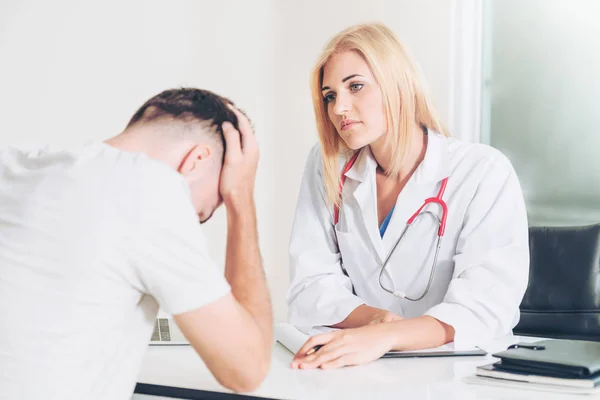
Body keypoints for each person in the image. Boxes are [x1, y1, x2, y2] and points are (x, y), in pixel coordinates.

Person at [0, 88, 272, 398]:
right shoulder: (149, 188)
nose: (195, 220)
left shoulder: (16, 164)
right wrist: (241, 199)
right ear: (196, 160)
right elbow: (246, 370)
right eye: (203, 213)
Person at [287, 23, 530, 370]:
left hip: (461, 373)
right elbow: (309, 286)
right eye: (330, 95)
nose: (340, 107)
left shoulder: (482, 171)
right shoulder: (328, 165)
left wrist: (386, 337)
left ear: (398, 84)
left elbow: (484, 308)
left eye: (355, 87)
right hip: (365, 368)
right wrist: (378, 324)